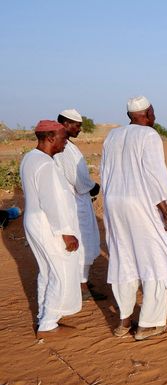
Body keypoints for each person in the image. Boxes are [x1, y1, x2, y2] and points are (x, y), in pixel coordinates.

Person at [101, 96, 167, 341]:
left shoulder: (112, 136)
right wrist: (166, 213)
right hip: (142, 204)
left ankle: (124, 321)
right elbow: (153, 176)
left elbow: (105, 173)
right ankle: (148, 324)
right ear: (148, 112)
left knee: (122, 259)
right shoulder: (149, 136)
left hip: (114, 204)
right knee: (155, 260)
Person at [20, 120, 83, 335]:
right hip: (47, 223)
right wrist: (66, 232)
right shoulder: (45, 164)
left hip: (35, 220)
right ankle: (48, 323)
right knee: (60, 273)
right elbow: (52, 202)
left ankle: (45, 316)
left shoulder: (30, 158)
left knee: (47, 271)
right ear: (50, 138)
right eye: (63, 138)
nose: (66, 143)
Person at [53, 109, 106, 301]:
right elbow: (77, 179)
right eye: (77, 125)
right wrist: (94, 187)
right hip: (76, 202)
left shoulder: (67, 144)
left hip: (79, 200)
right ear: (65, 124)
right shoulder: (64, 147)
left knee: (87, 242)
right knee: (83, 243)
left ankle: (81, 280)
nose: (79, 129)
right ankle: (82, 287)